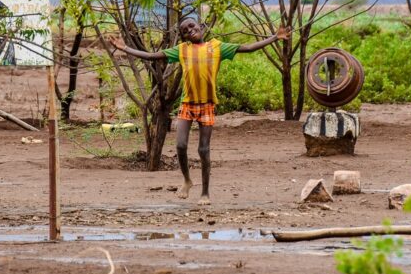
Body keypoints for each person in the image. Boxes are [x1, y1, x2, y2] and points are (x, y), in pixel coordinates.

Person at [110, 18, 290, 204]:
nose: (190, 30)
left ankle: (205, 193)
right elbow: (152, 56)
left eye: (192, 26)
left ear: (201, 27)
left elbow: (249, 47)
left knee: (203, 150)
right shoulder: (182, 49)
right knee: (180, 145)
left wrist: (275, 37)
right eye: (185, 31)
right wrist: (125, 48)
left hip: (207, 105)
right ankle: (187, 180)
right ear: (183, 37)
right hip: (188, 104)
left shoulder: (217, 47)